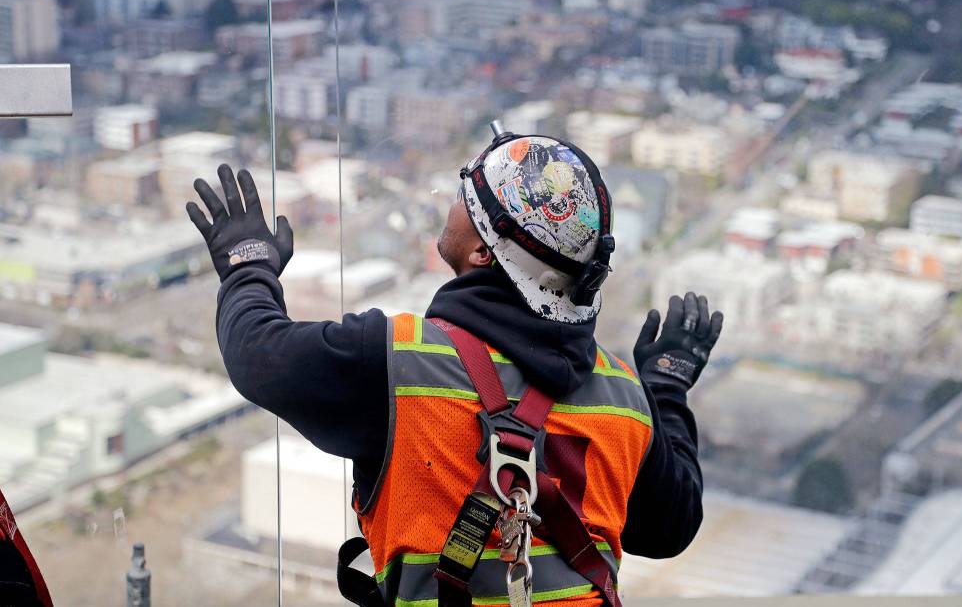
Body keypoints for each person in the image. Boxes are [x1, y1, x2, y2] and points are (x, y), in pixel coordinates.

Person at [186, 126, 723, 606]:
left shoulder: (401, 365)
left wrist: (246, 264)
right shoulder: (625, 400)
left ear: (484, 254)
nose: (453, 201)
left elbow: (258, 354)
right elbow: (670, 527)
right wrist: (665, 389)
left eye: (467, 196)